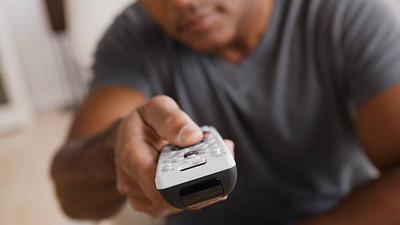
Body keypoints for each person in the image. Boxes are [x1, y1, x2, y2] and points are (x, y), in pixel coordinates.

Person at [51, 0, 400, 224]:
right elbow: (71, 196)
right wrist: (114, 147)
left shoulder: (347, 14)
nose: (180, 3)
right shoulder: (131, 36)